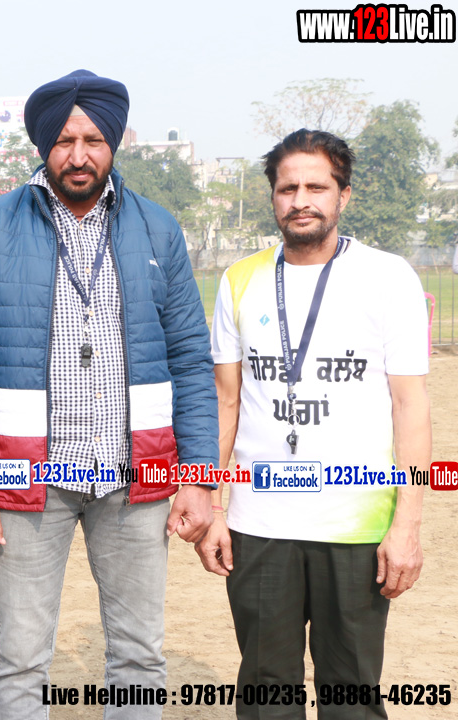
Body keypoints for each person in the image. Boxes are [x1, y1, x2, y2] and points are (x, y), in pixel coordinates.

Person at [0, 69, 218, 720]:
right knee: (22, 659)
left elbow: (190, 361)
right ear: (43, 146)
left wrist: (200, 476)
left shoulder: (158, 230)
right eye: (64, 140)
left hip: (136, 478)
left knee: (139, 656)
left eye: (93, 139)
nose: (79, 154)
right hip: (25, 481)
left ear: (113, 143)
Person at [196, 129, 430, 719]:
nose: (301, 200)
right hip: (258, 524)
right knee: (265, 692)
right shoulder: (239, 279)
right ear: (273, 197)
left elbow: (411, 404)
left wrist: (407, 525)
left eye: (316, 187)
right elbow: (225, 401)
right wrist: (214, 506)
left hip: (357, 526)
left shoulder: (388, 277)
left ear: (343, 195)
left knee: (352, 694)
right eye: (287, 188)